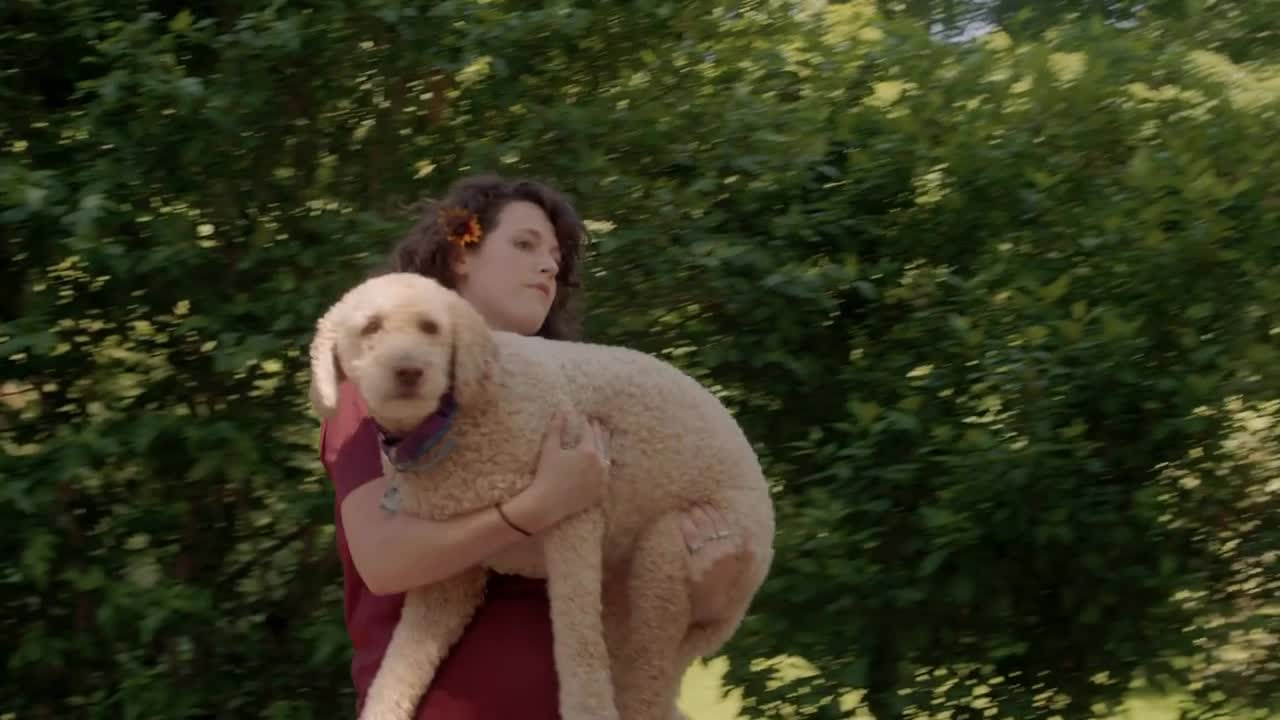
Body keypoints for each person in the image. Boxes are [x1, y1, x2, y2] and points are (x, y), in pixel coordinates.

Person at [319, 173, 755, 719]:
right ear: (460, 256)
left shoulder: (581, 409)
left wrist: (708, 586)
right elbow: (384, 560)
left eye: (556, 256)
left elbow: (628, 597)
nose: (549, 266)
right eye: (524, 245)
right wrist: (535, 508)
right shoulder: (390, 388)